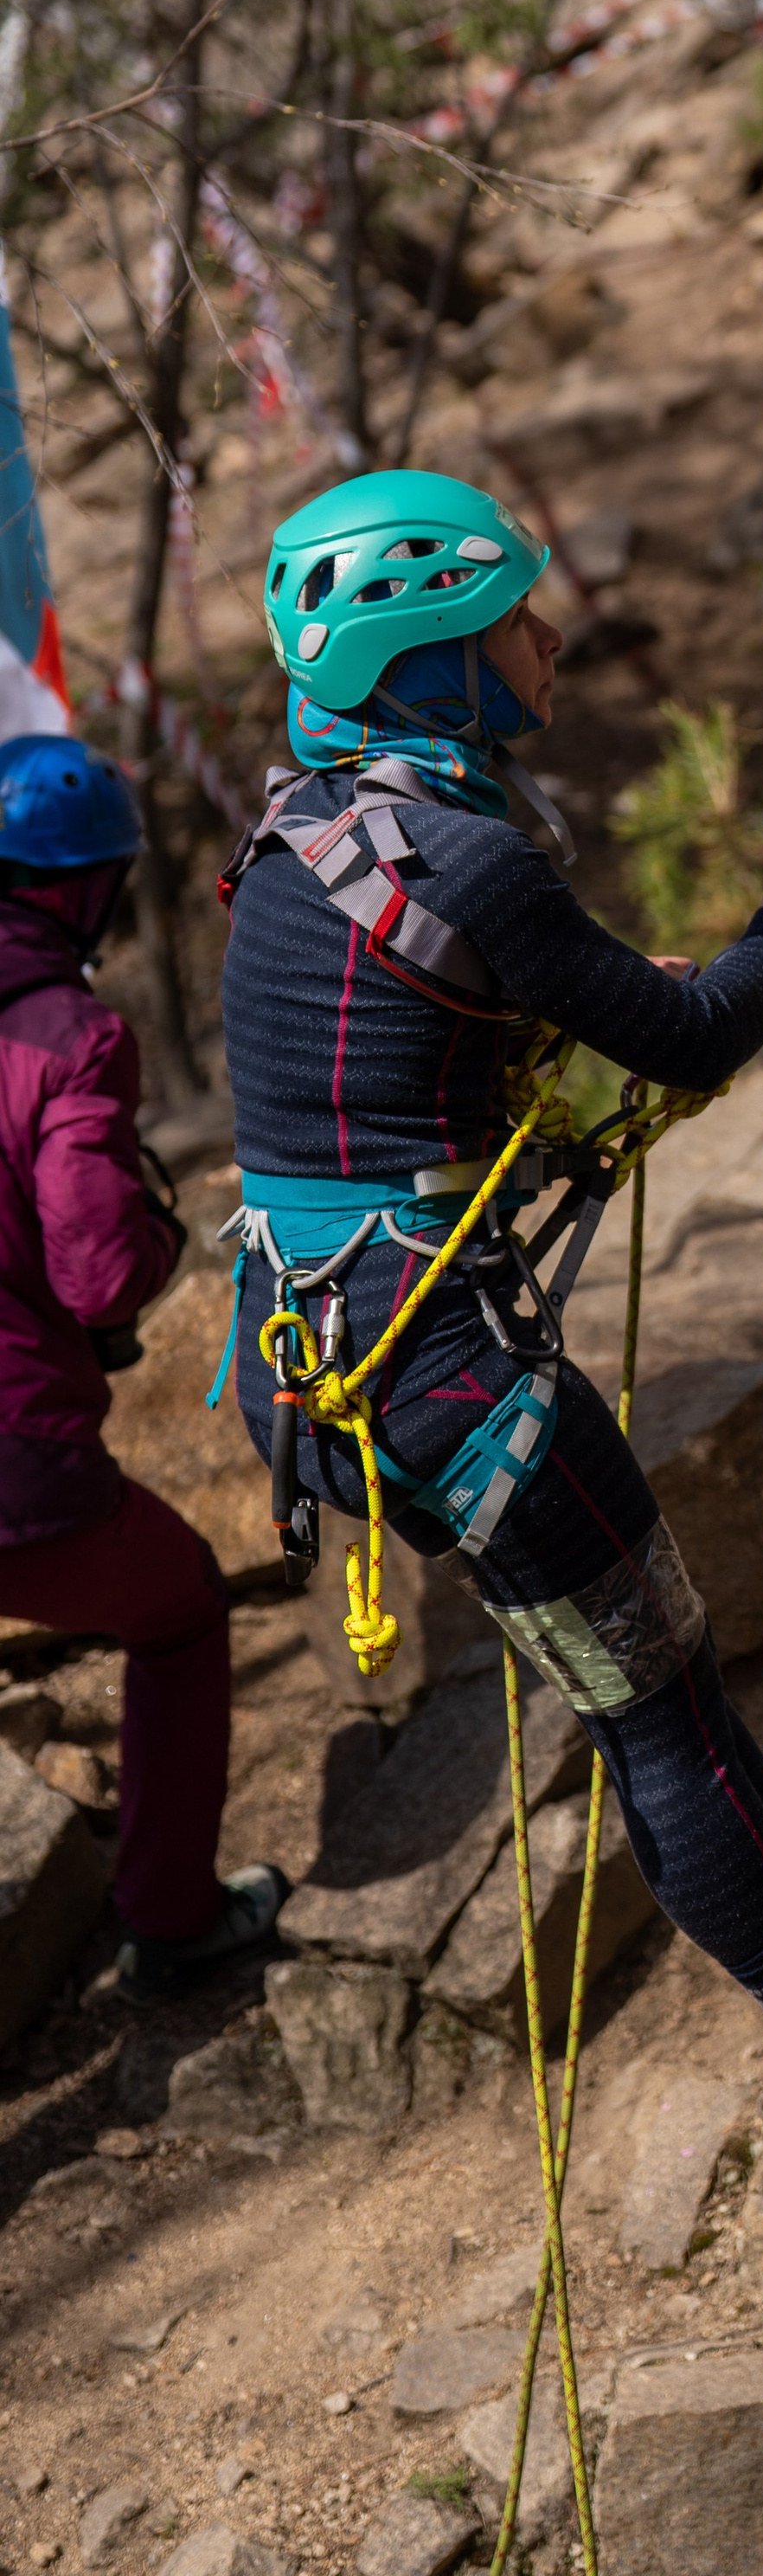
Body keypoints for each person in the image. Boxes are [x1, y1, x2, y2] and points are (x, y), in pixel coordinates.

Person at [221, 471, 763, 2149]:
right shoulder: (467, 857)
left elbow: (421, 1067)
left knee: (670, 1695)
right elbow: (687, 1036)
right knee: (660, 1718)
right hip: (446, 1373)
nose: (547, 638)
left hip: (353, 1351)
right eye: (505, 623)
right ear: (428, 667)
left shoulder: (304, 835)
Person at [0, 735, 286, 2003]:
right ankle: (170, 1919)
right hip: (17, 1466)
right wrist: (166, 1232)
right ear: (82, 888)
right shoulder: (68, 1035)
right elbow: (102, 1273)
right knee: (174, 1611)